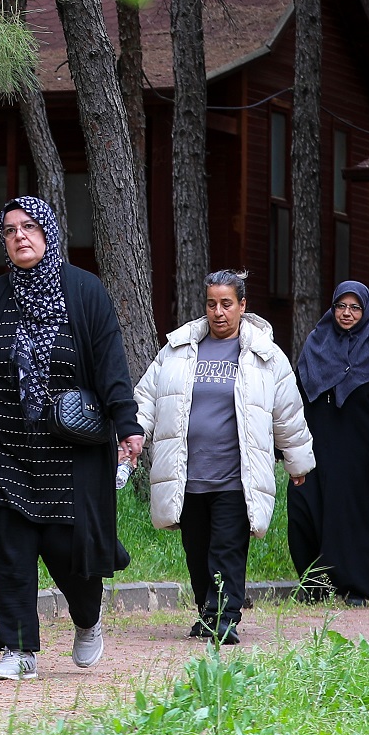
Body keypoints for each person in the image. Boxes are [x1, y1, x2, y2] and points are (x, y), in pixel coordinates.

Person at [0, 196, 144, 681]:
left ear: (49, 233)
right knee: (9, 550)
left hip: (70, 457)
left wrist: (127, 425)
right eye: (9, 230)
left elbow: (111, 365)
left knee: (72, 554)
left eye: (29, 227)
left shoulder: (85, 292)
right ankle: (19, 648)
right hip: (3, 448)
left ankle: (87, 618)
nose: (19, 236)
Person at [136, 270, 315, 643]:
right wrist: (132, 436)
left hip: (237, 475)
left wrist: (297, 462)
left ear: (242, 306)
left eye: (227, 304)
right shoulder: (178, 349)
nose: (218, 312)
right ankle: (207, 611)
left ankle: (225, 617)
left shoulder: (265, 355)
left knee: (227, 549)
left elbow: (287, 412)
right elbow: (148, 397)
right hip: (188, 472)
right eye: (212, 304)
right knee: (197, 549)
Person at [290, 281, 369, 604]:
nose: (347, 313)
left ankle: (359, 587)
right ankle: (315, 585)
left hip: (363, 457)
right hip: (317, 450)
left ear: (365, 312)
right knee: (305, 514)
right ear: (333, 308)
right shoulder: (315, 345)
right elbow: (295, 399)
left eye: (355, 308)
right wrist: (289, 445)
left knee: (356, 521)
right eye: (342, 306)